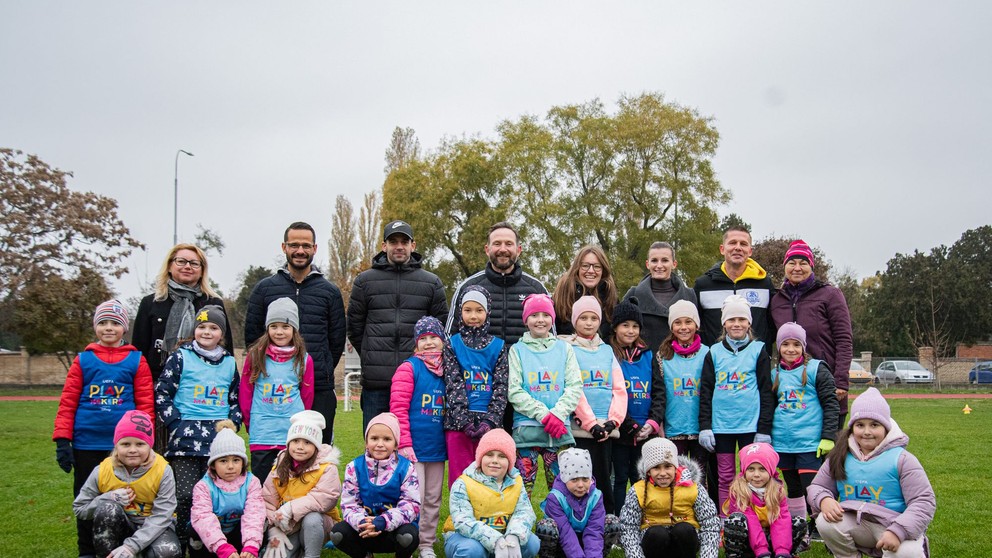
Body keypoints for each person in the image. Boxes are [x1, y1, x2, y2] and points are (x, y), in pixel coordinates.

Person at [53, 300, 155, 558]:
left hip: (124, 447)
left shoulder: (136, 360)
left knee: (129, 497)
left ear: (124, 328)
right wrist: (63, 440)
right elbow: (68, 401)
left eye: (114, 323)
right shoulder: (83, 360)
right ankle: (87, 550)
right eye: (103, 323)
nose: (108, 328)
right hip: (87, 442)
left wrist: (146, 441)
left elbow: (145, 404)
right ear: (95, 327)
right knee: (87, 499)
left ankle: (123, 547)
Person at [245, 222, 346, 444]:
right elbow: (253, 337)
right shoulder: (264, 289)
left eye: (306, 245)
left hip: (318, 387)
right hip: (274, 389)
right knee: (274, 453)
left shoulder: (329, 292)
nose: (300, 250)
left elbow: (336, 339)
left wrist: (321, 366)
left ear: (315, 249)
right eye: (294, 245)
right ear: (284, 247)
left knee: (317, 454)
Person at [807, 388, 936, 558]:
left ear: (886, 427)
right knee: (825, 521)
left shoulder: (903, 459)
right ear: (852, 428)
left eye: (874, 425)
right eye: (860, 425)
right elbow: (817, 486)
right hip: (856, 523)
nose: (867, 431)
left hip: (892, 526)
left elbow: (923, 501)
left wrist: (898, 531)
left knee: (907, 553)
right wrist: (824, 499)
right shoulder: (840, 455)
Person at [155, 305, 242, 553]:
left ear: (221, 334)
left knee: (218, 496)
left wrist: (232, 425)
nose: (206, 332)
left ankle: (208, 542)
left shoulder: (228, 362)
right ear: (194, 330)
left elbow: (236, 399)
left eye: (213, 327)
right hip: (185, 440)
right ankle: (183, 539)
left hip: (217, 442)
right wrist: (175, 424)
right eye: (201, 327)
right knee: (185, 496)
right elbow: (162, 394)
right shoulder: (180, 357)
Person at [133, 243, 233, 454]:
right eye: (181, 261)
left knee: (202, 455)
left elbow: (226, 351)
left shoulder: (213, 303)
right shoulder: (151, 303)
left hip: (203, 395)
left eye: (194, 263)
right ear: (170, 265)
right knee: (159, 454)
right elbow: (139, 352)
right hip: (161, 391)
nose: (187, 266)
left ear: (202, 269)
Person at [347, 219, 448, 430]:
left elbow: (442, 329)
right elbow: (355, 327)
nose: (399, 246)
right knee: (377, 447)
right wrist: (370, 355)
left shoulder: (431, 283)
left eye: (404, 241)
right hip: (377, 383)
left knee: (415, 447)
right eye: (393, 241)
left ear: (413, 245)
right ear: (384, 246)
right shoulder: (364, 282)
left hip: (419, 382)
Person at [697, 294, 774, 516]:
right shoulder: (713, 352)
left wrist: (764, 429)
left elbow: (766, 392)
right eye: (731, 320)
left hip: (751, 427)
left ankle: (755, 516)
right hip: (722, 427)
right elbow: (706, 392)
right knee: (725, 476)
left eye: (741, 319)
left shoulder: (758, 350)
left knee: (754, 475)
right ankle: (727, 519)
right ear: (724, 323)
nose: (736, 324)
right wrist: (705, 426)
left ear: (749, 323)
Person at [769, 239, 854, 431]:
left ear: (811, 266)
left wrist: (840, 380)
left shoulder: (830, 295)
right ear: (785, 266)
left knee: (830, 449)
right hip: (790, 387)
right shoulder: (776, 300)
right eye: (792, 263)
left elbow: (844, 339)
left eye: (803, 263)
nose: (797, 268)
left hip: (826, 383)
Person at [73, 410, 181, 558]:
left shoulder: (163, 470)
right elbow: (80, 509)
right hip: (121, 526)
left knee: (167, 551)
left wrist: (132, 546)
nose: (132, 450)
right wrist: (108, 497)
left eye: (140, 444)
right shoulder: (102, 470)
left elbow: (163, 514)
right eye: (125, 444)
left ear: (150, 445)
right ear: (116, 445)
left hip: (154, 527)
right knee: (107, 509)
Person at [770, 321, 839, 547]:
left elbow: (831, 404)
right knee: (794, 490)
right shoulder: (774, 374)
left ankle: (828, 533)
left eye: (796, 344)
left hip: (810, 443)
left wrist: (829, 436)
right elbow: (769, 408)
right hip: (783, 444)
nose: (791, 349)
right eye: (786, 344)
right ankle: (801, 534)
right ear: (779, 347)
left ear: (804, 347)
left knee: (814, 490)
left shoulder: (816, 369)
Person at [507, 294, 583, 495]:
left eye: (545, 315)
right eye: (534, 315)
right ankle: (521, 526)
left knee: (562, 490)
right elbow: (514, 391)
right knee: (522, 491)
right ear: (526, 320)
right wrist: (544, 415)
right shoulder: (517, 350)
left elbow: (575, 385)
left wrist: (557, 414)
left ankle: (559, 525)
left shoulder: (565, 349)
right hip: (527, 432)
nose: (540, 319)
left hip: (558, 433)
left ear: (552, 319)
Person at [560, 295, 627, 515]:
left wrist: (612, 422)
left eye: (593, 318)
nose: (589, 323)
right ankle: (579, 521)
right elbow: (574, 389)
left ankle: (606, 523)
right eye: (583, 318)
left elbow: (618, 388)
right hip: (582, 430)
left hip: (606, 429)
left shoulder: (607, 350)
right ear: (574, 320)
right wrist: (591, 424)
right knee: (580, 480)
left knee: (603, 478)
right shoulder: (568, 350)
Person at [390, 316, 448, 558]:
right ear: (416, 343)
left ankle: (426, 542)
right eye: (423, 339)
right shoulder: (409, 368)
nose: (428, 342)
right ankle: (408, 541)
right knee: (414, 498)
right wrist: (403, 443)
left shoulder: (449, 369)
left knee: (433, 499)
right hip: (413, 448)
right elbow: (398, 408)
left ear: (443, 340)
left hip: (437, 448)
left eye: (433, 337)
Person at [239, 297, 314, 481]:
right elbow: (246, 393)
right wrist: (251, 422)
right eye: (274, 326)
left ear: (294, 329)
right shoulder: (255, 356)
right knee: (263, 484)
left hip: (290, 434)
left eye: (285, 326)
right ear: (267, 328)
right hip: (262, 432)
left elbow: (307, 396)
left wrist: (301, 424)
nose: (279, 332)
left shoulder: (304, 360)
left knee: (288, 482)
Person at [442, 285, 510, 487]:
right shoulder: (452, 344)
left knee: (489, 477)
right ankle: (458, 518)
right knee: (460, 478)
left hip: (490, 426)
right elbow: (453, 384)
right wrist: (464, 420)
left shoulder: (498, 346)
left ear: (487, 312)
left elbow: (501, 386)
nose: (473, 316)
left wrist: (490, 420)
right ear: (460, 312)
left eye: (479, 310)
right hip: (458, 426)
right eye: (468, 310)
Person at [329, 412, 421, 558]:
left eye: (387, 439)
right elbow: (349, 505)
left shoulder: (406, 468)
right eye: (374, 438)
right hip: (364, 530)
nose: (379, 444)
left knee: (408, 536)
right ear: (366, 442)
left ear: (396, 443)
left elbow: (411, 505)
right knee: (338, 534)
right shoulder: (354, 467)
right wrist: (363, 522)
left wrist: (382, 521)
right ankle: (365, 555)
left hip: (393, 530)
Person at [446, 222, 549, 345]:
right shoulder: (467, 287)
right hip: (480, 364)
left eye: (509, 244)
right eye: (497, 243)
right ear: (487, 250)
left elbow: (551, 338)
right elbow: (449, 336)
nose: (503, 249)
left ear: (518, 250)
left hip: (525, 363)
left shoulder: (536, 289)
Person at [444, 428, 542, 558]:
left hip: (504, 536)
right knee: (472, 550)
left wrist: (514, 536)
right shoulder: (463, 483)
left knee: (532, 543)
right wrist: (495, 540)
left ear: (510, 462)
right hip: (467, 538)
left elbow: (524, 512)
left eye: (502, 456)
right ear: (480, 458)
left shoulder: (516, 481)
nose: (495, 460)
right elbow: (463, 522)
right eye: (489, 455)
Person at [618, 437, 720, 558]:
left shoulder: (693, 488)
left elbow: (710, 524)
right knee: (657, 533)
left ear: (675, 467)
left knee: (684, 529)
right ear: (648, 471)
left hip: (685, 541)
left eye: (667, 466)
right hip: (653, 542)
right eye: (656, 468)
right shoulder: (638, 491)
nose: (662, 473)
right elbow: (629, 529)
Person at [262, 410, 343, 558]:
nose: (300, 447)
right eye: (295, 441)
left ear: (316, 446)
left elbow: (324, 498)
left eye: (307, 442)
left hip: (318, 524)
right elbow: (267, 499)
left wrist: (289, 509)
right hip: (287, 525)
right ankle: (297, 549)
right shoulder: (279, 466)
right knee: (273, 555)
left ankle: (311, 554)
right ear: (288, 443)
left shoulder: (327, 467)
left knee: (312, 517)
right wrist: (275, 521)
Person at [608, 297, 664, 505]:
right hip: (622, 430)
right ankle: (619, 519)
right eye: (625, 325)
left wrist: (652, 423)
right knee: (620, 478)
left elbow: (659, 391)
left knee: (642, 478)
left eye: (635, 326)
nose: (630, 331)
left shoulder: (648, 355)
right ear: (615, 328)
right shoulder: (609, 354)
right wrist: (628, 424)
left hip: (646, 431)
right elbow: (611, 394)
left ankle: (644, 517)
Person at [693, 226, 776, 347]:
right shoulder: (703, 285)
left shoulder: (764, 284)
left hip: (756, 363)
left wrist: (763, 348)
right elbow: (695, 326)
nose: (738, 247)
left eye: (743, 244)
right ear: (722, 249)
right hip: (715, 363)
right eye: (732, 243)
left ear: (750, 251)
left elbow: (773, 325)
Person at [189, 426, 265, 558]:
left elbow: (254, 513)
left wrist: (251, 544)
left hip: (239, 532)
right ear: (213, 464)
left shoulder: (252, 482)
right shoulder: (203, 486)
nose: (230, 466)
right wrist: (221, 546)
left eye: (236, 460)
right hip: (211, 538)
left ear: (243, 462)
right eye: (223, 461)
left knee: (263, 522)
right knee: (195, 528)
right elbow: (203, 517)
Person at [722, 442, 807, 558]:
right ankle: (736, 555)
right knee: (736, 520)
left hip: (770, 536)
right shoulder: (738, 491)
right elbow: (751, 520)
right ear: (744, 471)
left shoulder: (777, 491)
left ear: (771, 471)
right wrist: (761, 551)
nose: (756, 474)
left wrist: (782, 551)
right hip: (747, 539)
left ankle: (783, 553)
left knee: (799, 522)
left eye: (762, 469)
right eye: (751, 469)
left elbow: (780, 521)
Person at [536, 448, 621, 558]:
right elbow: (565, 533)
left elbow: (594, 530)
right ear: (565, 478)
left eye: (585, 479)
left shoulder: (596, 496)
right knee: (546, 527)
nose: (580, 485)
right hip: (562, 541)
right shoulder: (555, 498)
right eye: (574, 479)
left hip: (585, 540)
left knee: (612, 522)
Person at [622, 242, 697, 352]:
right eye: (654, 260)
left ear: (674, 264)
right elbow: (621, 331)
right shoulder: (634, 295)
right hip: (644, 361)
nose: (659, 265)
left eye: (665, 260)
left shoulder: (689, 295)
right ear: (647, 264)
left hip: (679, 362)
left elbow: (697, 333)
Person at [552, 245, 618, 339]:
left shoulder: (610, 294)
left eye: (597, 266)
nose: (591, 271)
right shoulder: (563, 294)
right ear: (577, 268)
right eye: (585, 266)